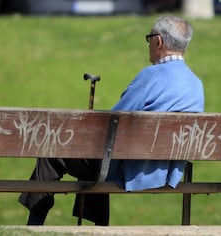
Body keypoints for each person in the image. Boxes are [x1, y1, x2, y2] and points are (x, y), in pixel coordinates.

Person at [18, 15, 204, 226]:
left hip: (134, 168)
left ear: (158, 41)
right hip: (168, 172)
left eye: (149, 38)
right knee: (100, 155)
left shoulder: (150, 76)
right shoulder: (196, 84)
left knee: (52, 151)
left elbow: (111, 122)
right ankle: (98, 228)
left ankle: (33, 226)